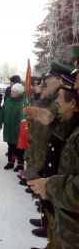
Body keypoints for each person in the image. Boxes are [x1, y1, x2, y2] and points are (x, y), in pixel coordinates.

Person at [27, 74, 79, 249]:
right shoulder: (71, 123)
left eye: (78, 81)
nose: (76, 86)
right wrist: (52, 122)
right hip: (65, 217)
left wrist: (49, 186)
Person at [0, 83, 25, 171]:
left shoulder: (23, 102)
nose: (12, 93)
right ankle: (11, 162)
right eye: (12, 91)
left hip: (18, 130)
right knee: (11, 147)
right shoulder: (8, 101)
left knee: (19, 148)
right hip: (8, 129)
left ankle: (20, 164)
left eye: (15, 91)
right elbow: (2, 112)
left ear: (20, 93)